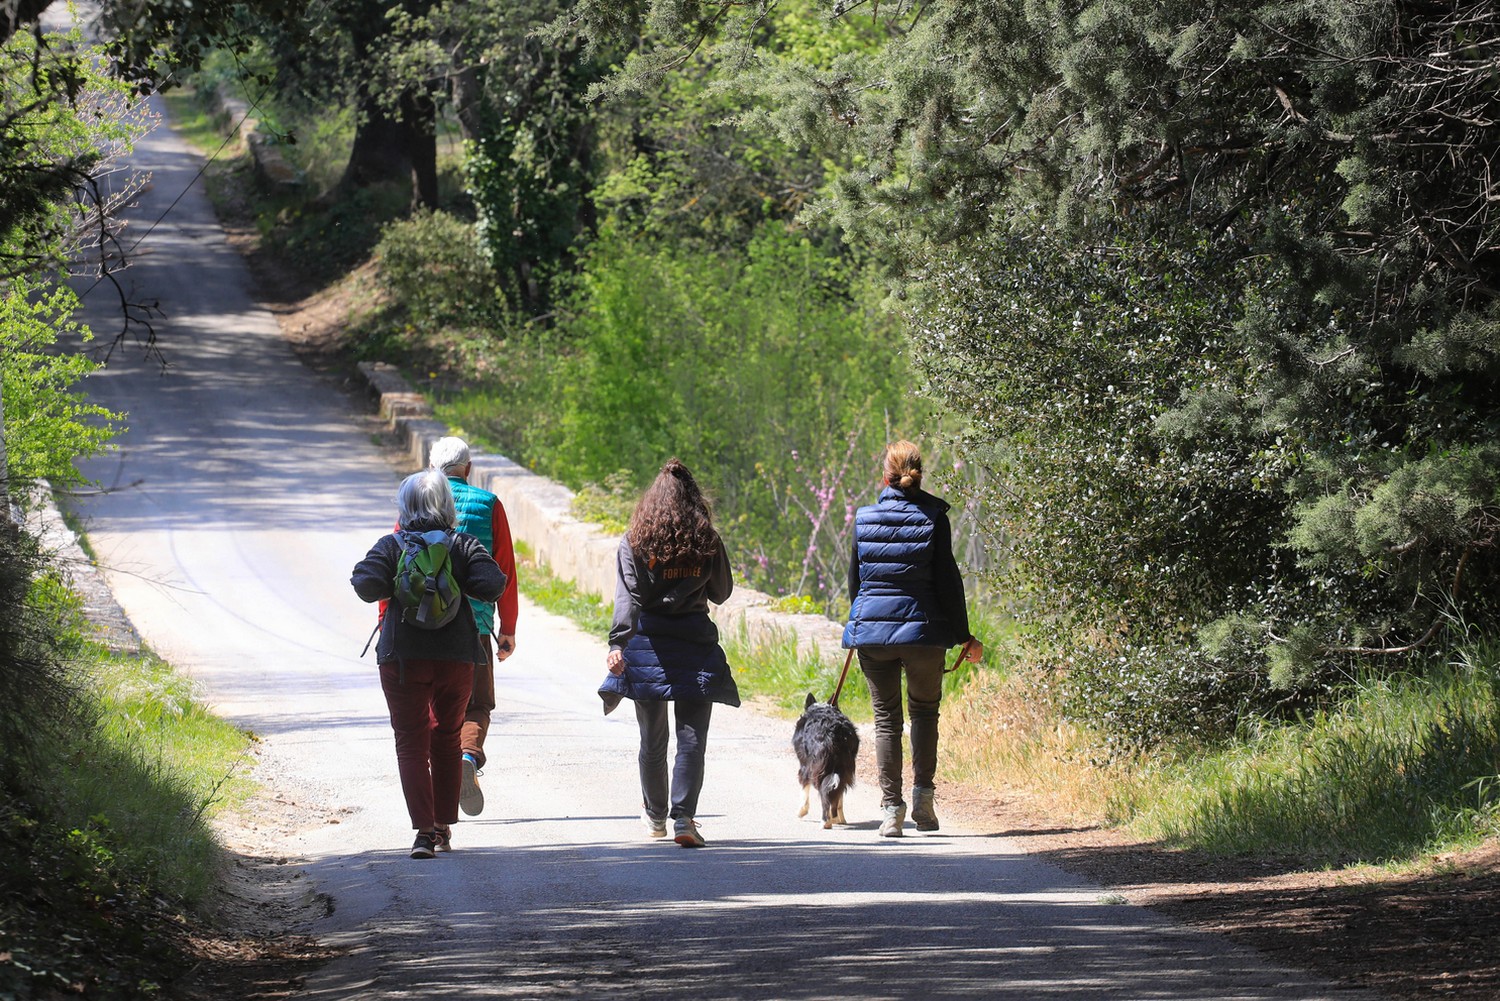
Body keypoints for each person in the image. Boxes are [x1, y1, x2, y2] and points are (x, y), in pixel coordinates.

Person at [352, 469, 508, 859]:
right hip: (456, 658)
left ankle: (423, 833)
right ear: (447, 505)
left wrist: (401, 580)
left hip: (402, 658)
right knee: (448, 736)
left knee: (410, 742)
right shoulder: (464, 544)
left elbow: (363, 584)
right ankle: (442, 826)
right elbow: (493, 583)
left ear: (405, 507)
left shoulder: (392, 545)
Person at [842, 440, 983, 838]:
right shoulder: (934, 517)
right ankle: (923, 800)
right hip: (923, 633)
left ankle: (891, 811)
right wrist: (963, 636)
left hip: (874, 632)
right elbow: (948, 583)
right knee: (924, 713)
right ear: (919, 474)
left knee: (886, 721)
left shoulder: (864, 518)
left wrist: (864, 623)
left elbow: (856, 581)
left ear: (885, 476)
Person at [599, 459, 738, 848]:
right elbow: (722, 592)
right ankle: (684, 818)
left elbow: (628, 599)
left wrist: (617, 643)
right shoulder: (706, 538)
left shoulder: (635, 540)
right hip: (695, 644)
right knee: (692, 738)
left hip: (648, 648)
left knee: (652, 738)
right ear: (693, 498)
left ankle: (656, 816)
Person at [424, 436, 519, 818]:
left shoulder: (419, 499)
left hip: (424, 625)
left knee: (435, 708)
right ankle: (467, 754)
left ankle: (436, 797)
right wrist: (508, 628)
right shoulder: (489, 504)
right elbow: (505, 571)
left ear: (433, 468)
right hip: (475, 624)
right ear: (468, 467)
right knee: (477, 703)